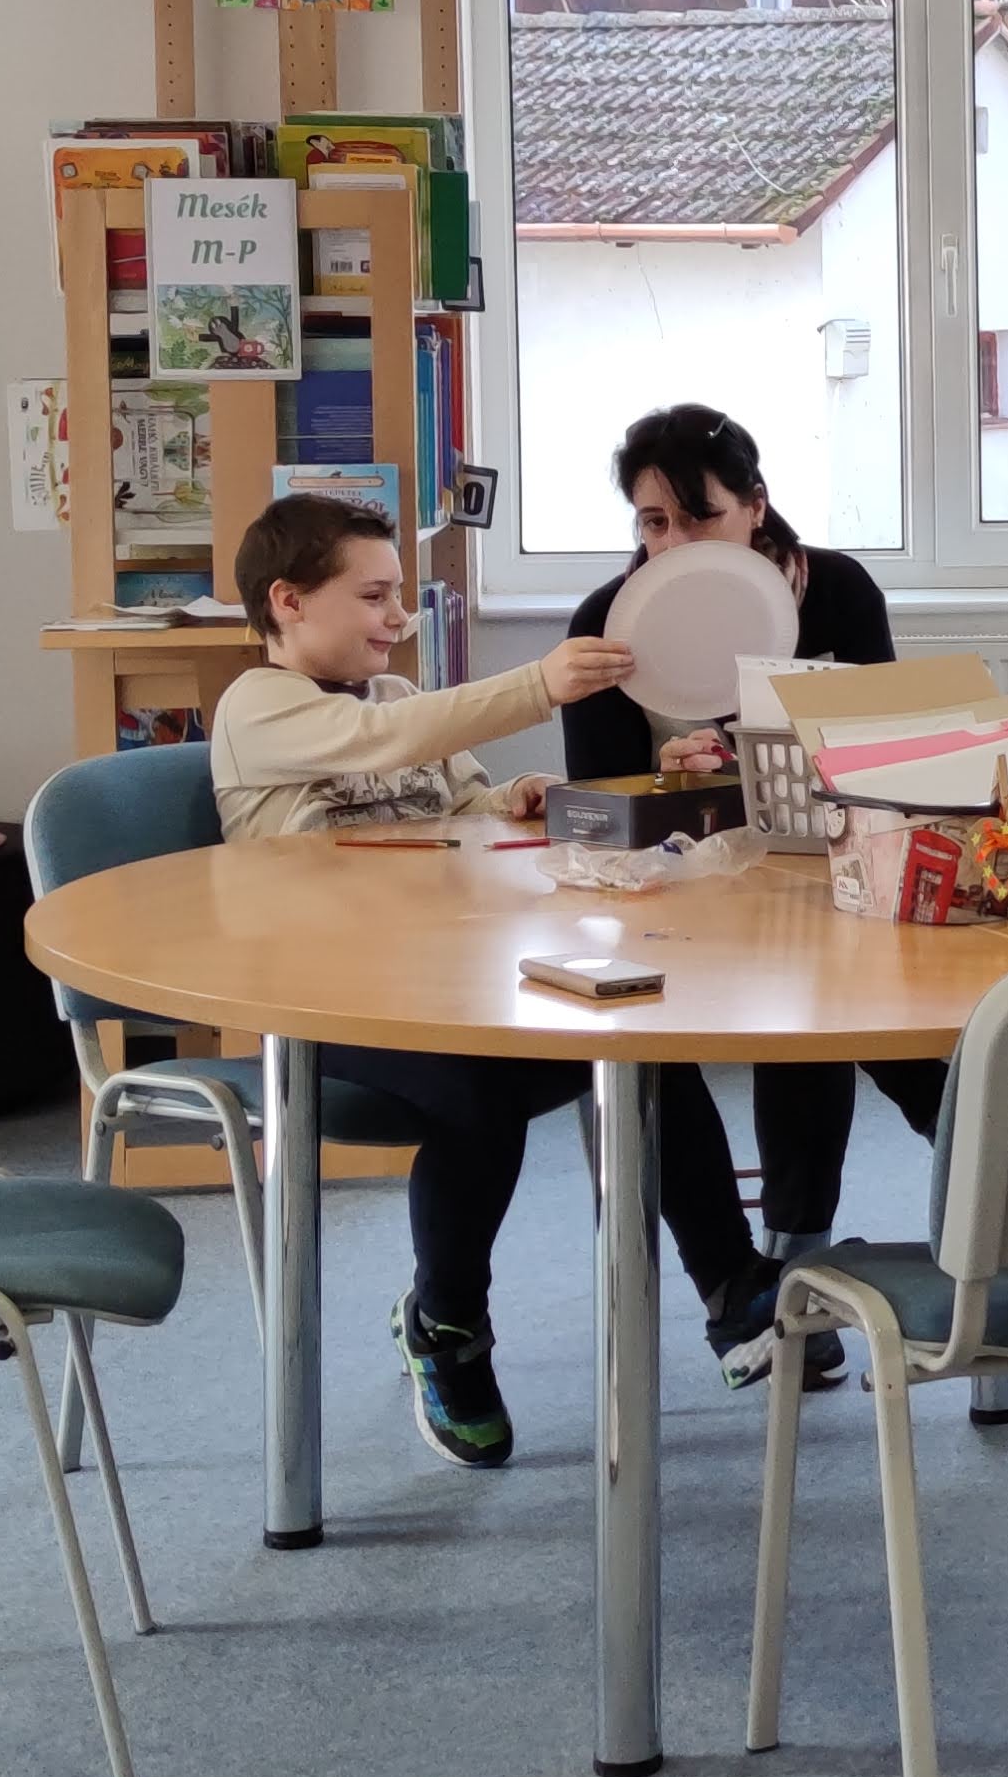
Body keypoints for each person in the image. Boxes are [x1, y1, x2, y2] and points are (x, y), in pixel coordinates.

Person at [203, 492, 635, 1469]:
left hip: (430, 980)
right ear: (287, 602)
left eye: (399, 594)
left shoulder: (394, 696)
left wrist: (514, 797)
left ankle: (727, 1290)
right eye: (374, 596)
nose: (398, 616)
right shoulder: (257, 707)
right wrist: (541, 685)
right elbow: (387, 746)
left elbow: (464, 797)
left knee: (622, 1040)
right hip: (323, 1000)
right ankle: (447, 1324)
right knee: (480, 1091)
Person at [554, 403, 928, 1387]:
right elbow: (597, 815)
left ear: (756, 508)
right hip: (670, 912)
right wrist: (672, 778)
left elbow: (882, 766)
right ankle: (741, 1286)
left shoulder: (834, 591)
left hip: (815, 891)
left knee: (835, 1012)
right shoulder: (608, 627)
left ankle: (805, 1259)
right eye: (653, 522)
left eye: (699, 517)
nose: (674, 545)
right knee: (642, 1041)